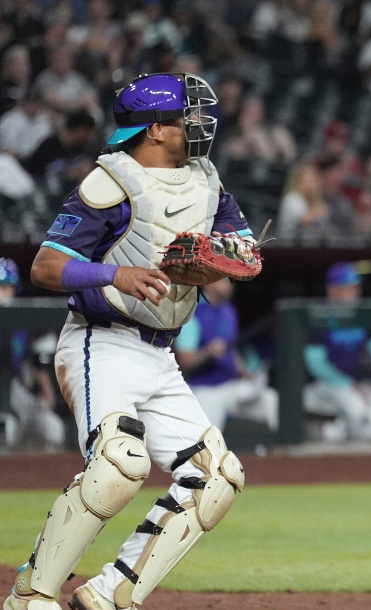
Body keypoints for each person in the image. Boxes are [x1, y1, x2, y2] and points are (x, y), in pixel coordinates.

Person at [5, 73, 252, 610]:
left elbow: (243, 246)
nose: (198, 123)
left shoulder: (206, 181)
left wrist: (222, 259)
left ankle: (110, 594)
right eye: (186, 115)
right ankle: (31, 594)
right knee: (120, 464)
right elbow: (45, 267)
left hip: (162, 353)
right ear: (156, 129)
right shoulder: (110, 183)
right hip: (102, 342)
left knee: (216, 477)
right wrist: (113, 274)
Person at [302, 262, 371, 442]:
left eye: (355, 288)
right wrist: (348, 384)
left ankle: (340, 433)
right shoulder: (319, 316)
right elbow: (315, 363)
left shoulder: (360, 314)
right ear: (332, 291)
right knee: (357, 409)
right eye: (348, 288)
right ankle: (334, 434)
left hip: (357, 385)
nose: (354, 293)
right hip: (322, 385)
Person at [173, 277, 279, 436]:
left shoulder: (229, 311)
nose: (229, 285)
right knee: (207, 439)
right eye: (223, 280)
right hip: (206, 389)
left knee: (269, 399)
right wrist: (209, 351)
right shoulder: (193, 313)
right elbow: (185, 360)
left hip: (232, 386)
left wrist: (245, 373)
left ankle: (286, 447)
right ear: (207, 283)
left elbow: (231, 349)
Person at [0, 258, 66, 453]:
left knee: (53, 429)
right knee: (6, 431)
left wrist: (46, 391)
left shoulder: (23, 323)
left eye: (8, 287)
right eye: (1, 287)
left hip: (16, 389)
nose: (5, 292)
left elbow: (39, 359)